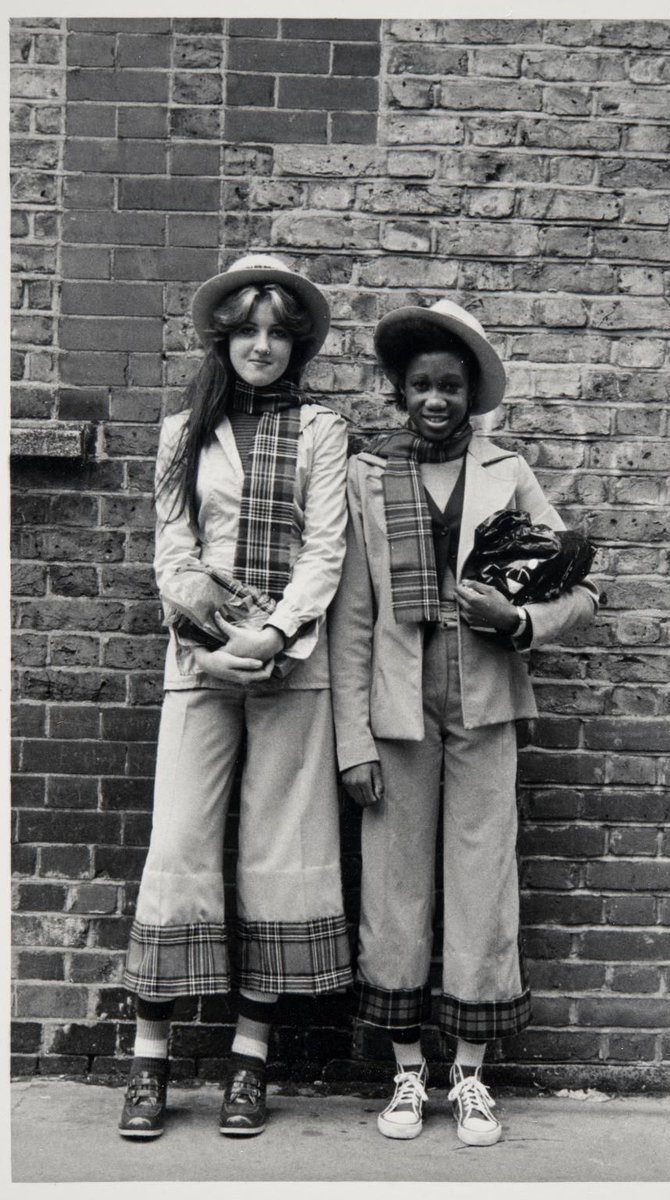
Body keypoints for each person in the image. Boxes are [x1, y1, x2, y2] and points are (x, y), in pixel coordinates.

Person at [328, 300, 598, 1147]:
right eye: (420, 385)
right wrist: (351, 742)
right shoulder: (368, 477)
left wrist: (516, 623)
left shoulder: (506, 471)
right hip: (398, 714)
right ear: (399, 391)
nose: (435, 398)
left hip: (484, 706)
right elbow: (351, 622)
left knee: (483, 884)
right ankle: (408, 1074)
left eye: (450, 385)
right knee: (393, 887)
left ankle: (470, 1077)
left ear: (470, 394)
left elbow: (577, 585)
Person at [118, 253, 352, 1140]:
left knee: (275, 852)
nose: (262, 346)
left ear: (297, 347)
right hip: (200, 665)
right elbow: (171, 557)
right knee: (177, 845)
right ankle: (149, 1064)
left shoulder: (325, 432)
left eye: (279, 333)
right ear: (224, 337)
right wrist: (211, 646)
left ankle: (249, 1064)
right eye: (247, 330)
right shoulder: (184, 431)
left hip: (292, 662)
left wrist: (274, 634)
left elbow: (325, 550)